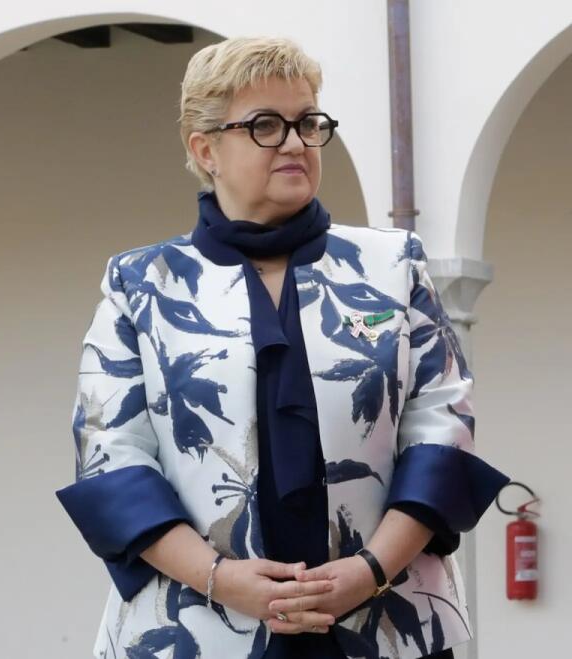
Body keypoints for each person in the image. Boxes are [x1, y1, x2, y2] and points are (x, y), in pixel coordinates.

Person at [55, 36, 510, 659]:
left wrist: (369, 571)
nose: (295, 143)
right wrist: (221, 581)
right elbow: (112, 458)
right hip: (198, 626)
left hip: (385, 618)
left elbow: (442, 433)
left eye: (307, 123)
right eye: (265, 125)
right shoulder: (141, 284)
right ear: (205, 149)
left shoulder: (393, 265)